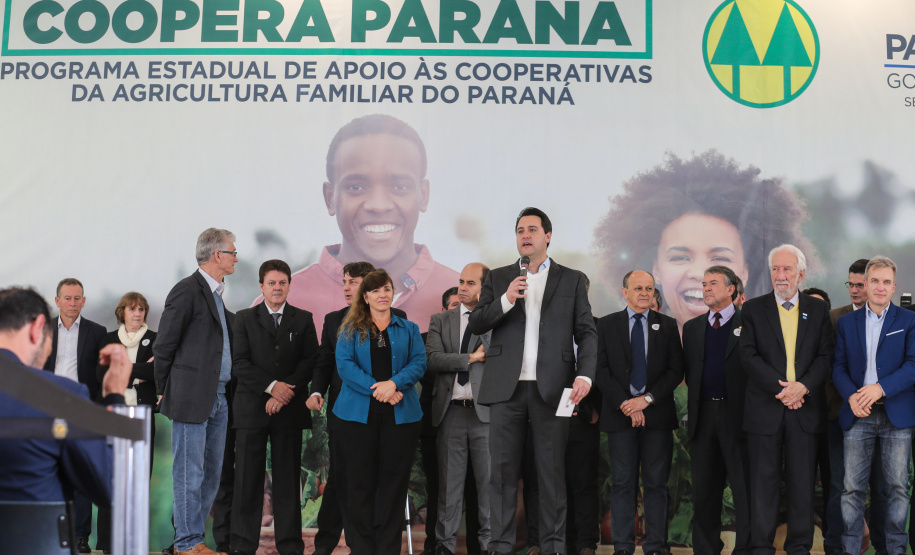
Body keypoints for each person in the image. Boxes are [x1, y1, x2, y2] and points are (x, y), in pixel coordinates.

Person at [468, 207, 597, 555]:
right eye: (520, 230)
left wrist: (584, 374)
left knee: (552, 473)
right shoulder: (498, 278)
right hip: (505, 388)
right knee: (502, 475)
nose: (526, 235)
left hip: (555, 389)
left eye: (533, 229)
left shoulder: (571, 279)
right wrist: (507, 299)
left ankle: (554, 547)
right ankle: (500, 546)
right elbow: (477, 323)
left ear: (547, 236)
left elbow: (586, 332)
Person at [268, 114, 459, 334]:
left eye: (400, 186)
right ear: (330, 198)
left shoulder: (465, 296)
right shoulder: (283, 301)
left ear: (423, 195)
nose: (378, 205)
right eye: (356, 187)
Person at [594, 150, 814, 333]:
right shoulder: (634, 341)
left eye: (719, 258)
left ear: (745, 273)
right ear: (656, 270)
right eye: (680, 257)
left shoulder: (762, 339)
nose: (700, 274)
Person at [306, 261, 407, 555]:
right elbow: (326, 361)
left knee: (376, 479)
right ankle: (327, 543)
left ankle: (373, 545)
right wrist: (315, 390)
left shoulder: (397, 317)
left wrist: (392, 389)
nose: (347, 287)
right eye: (345, 282)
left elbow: (403, 362)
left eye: (354, 282)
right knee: (342, 478)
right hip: (345, 411)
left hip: (387, 412)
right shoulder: (334, 319)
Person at [740, 244, 833, 555]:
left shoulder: (818, 310)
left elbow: (825, 357)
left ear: (801, 274)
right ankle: (761, 547)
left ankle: (799, 547)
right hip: (766, 408)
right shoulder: (753, 309)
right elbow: (748, 357)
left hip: (804, 410)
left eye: (787, 269)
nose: (781, 275)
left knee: (802, 484)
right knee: (763, 485)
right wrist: (783, 390)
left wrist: (802, 387)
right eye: (776, 269)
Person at [0, 286, 129, 506]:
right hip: (36, 541)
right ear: (37, 327)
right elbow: (115, 488)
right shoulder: (62, 397)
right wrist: (114, 398)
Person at [154, 228, 238, 555]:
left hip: (218, 397)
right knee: (189, 474)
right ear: (217, 255)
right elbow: (165, 345)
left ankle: (190, 541)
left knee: (210, 477)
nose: (235, 257)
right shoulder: (187, 290)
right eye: (232, 252)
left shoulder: (216, 294)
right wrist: (164, 390)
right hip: (191, 397)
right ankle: (188, 543)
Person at [334, 269, 426, 554]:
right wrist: (381, 389)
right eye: (375, 290)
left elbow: (419, 362)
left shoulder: (408, 328)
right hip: (357, 418)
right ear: (366, 296)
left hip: (400, 419)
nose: (382, 295)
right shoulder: (350, 329)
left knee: (393, 487)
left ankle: (387, 549)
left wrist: (395, 383)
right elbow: (345, 366)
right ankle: (361, 548)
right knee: (359, 485)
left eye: (386, 289)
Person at [230, 260, 319, 555]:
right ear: (261, 287)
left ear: (289, 285)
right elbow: (239, 363)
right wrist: (271, 387)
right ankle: (243, 546)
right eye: (271, 283)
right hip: (251, 409)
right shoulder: (243, 319)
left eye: (282, 282)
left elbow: (310, 362)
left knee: (287, 481)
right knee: (247, 481)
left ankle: (290, 546)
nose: (277, 288)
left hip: (289, 411)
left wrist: (282, 394)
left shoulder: (303, 319)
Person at [595, 270, 683, 555]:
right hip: (620, 416)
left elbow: (675, 371)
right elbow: (601, 371)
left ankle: (656, 546)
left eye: (649, 288)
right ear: (625, 292)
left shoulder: (667, 325)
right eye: (638, 288)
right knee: (622, 483)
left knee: (657, 484)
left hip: (656, 416)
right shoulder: (606, 325)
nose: (644, 293)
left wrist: (646, 400)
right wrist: (627, 404)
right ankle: (622, 547)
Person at [833, 256, 915, 555]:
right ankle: (851, 550)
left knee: (897, 489)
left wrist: (880, 388)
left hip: (897, 414)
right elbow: (838, 368)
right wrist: (852, 396)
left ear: (894, 287)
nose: (880, 287)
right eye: (875, 281)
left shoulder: (909, 320)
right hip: (858, 414)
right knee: (852, 490)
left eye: (886, 282)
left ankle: (895, 550)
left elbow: (913, 366)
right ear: (865, 284)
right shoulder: (845, 323)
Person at [682, 266, 750, 555]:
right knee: (704, 493)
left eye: (713, 283)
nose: (706, 288)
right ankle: (706, 549)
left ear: (731, 289)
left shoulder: (749, 322)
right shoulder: (693, 327)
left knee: (744, 491)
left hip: (739, 418)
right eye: (704, 283)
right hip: (702, 418)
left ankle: (746, 549)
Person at [426, 263, 492, 555]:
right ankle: (444, 547)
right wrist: (470, 359)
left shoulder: (497, 320)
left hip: (486, 415)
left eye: (470, 283)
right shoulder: (441, 319)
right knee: (449, 490)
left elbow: (498, 355)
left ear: (485, 288)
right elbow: (434, 359)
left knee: (489, 488)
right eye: (461, 281)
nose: (463, 287)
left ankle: (491, 547)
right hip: (450, 413)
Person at [825, 259, 886, 555]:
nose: (855, 290)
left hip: (885, 417)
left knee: (884, 487)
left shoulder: (893, 318)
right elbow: (830, 367)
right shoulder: (835, 318)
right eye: (850, 284)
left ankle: (882, 545)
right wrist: (851, 398)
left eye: (860, 284)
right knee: (841, 486)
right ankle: (837, 547)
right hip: (843, 417)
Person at [42, 277, 107, 553]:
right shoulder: (43, 330)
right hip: (48, 409)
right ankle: (50, 535)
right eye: (67, 298)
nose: (72, 303)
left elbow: (101, 374)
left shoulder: (97, 331)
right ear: (57, 301)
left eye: (77, 297)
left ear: (83, 301)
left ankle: (80, 537)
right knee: (49, 472)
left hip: (83, 410)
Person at [96, 291, 159, 553]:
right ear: (122, 312)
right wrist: (139, 371)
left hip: (143, 416)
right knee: (112, 479)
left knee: (139, 480)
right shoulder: (108, 339)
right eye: (132, 309)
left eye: (141, 309)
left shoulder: (155, 340)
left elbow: (158, 372)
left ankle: (134, 541)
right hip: (113, 415)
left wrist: (124, 369)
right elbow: (102, 374)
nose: (137, 313)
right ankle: (109, 543)